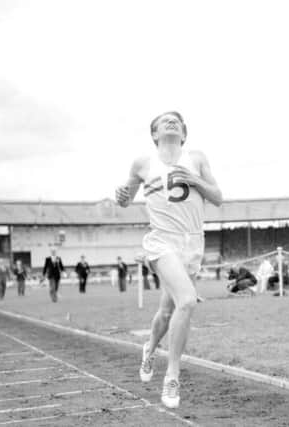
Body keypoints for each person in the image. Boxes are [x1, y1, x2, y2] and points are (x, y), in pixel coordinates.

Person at [115, 110, 222, 408]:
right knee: (187, 301)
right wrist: (120, 196)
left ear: (184, 134)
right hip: (162, 242)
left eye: (177, 121)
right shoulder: (142, 164)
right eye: (165, 121)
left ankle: (149, 348)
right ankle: (172, 375)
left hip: (192, 244)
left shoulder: (197, 159)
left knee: (166, 312)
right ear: (154, 134)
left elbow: (218, 197)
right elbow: (125, 199)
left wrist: (195, 180)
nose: (171, 121)